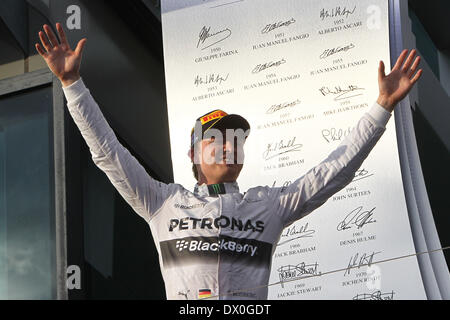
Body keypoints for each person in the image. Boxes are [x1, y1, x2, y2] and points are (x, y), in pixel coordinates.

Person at [36, 23, 423, 300]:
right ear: (193, 154)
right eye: (215, 139)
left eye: (234, 139)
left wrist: (381, 108)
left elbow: (334, 171)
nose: (227, 146)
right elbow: (108, 153)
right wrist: (73, 85)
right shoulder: (161, 203)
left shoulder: (267, 206)